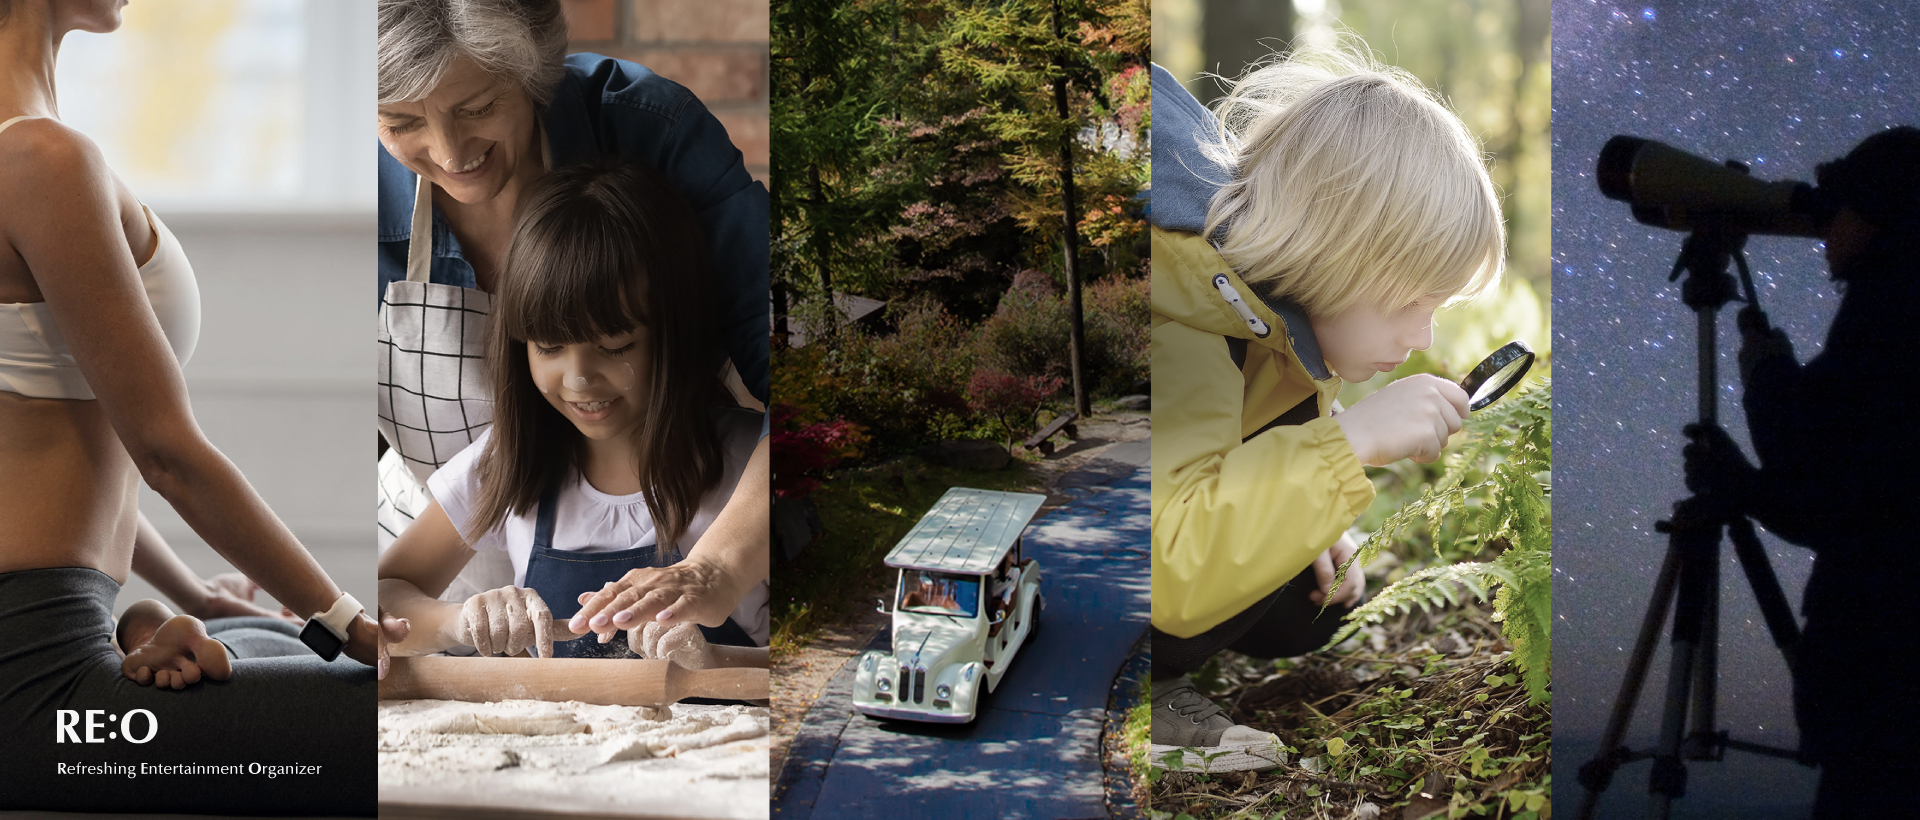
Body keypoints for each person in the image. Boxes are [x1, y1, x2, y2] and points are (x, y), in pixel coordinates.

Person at [0, 0, 391, 813]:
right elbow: (167, 456)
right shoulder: (40, 160)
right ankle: (138, 636)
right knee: (407, 721)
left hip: (50, 644)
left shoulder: (32, 151)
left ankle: (143, 629)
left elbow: (56, 434)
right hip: (44, 699)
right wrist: (353, 624)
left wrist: (197, 594)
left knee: (264, 635)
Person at [1148, 42, 1506, 772]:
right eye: (1408, 301)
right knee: (1207, 599)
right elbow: (1164, 564)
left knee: (1304, 603)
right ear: (1331, 251)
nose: (1421, 337)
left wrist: (1299, 520)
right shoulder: (1188, 321)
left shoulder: (1283, 320)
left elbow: (1235, 445)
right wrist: (1348, 443)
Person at [373, 0, 769, 650]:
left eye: (476, 107)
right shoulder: (496, 465)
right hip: (431, 568)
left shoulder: (653, 132)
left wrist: (713, 570)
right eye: (402, 122)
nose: (450, 152)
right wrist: (433, 623)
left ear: (531, 69)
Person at [1681, 125, 1920, 820]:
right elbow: (1863, 508)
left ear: (1876, 213)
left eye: (1836, 212)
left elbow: (1812, 453)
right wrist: (1750, 490)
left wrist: (1761, 365)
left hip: (1884, 694)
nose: (1824, 232)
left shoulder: (1891, 305)